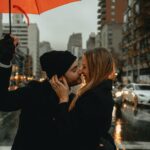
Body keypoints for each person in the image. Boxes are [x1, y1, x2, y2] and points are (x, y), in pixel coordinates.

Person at [0, 35, 82, 150]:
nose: (80, 71)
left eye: (78, 66)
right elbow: (3, 101)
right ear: (59, 77)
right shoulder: (34, 92)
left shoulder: (74, 99)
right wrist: (4, 60)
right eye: (74, 69)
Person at [50, 48, 117, 150]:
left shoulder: (95, 98)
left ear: (96, 69)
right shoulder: (99, 93)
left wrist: (63, 99)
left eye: (84, 67)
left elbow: (68, 134)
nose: (80, 71)